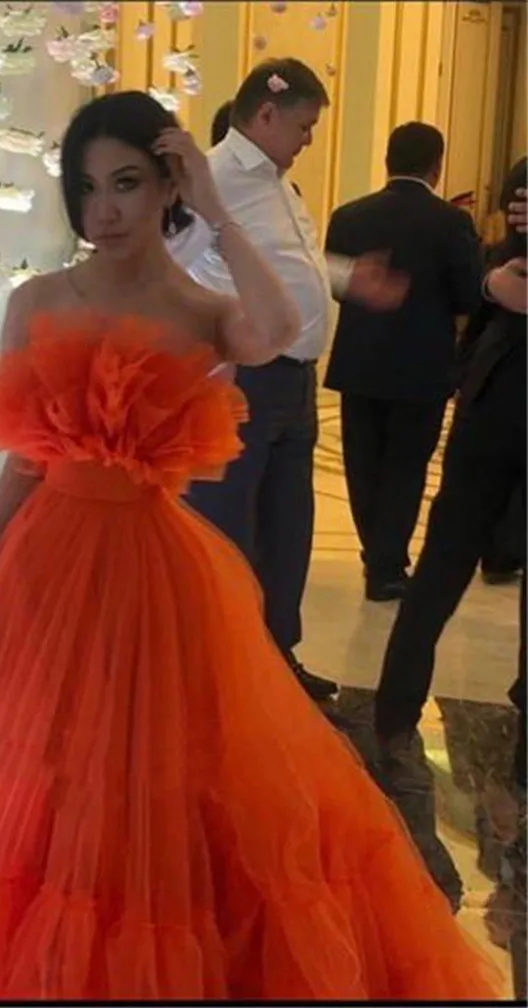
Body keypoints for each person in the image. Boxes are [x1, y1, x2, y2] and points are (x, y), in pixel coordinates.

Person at [0, 91, 501, 1001]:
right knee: (46, 775)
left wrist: (217, 203)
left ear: (168, 185)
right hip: (45, 569)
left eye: (127, 183)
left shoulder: (202, 309)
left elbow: (280, 328)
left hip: (154, 572)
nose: (104, 209)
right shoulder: (37, 302)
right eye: (87, 189)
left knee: (157, 777)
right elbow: (24, 463)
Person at [170, 59, 408, 700]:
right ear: (267, 113)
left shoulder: (277, 183)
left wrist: (346, 277)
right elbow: (170, 269)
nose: (308, 140)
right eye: (303, 126)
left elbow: (286, 260)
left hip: (295, 382)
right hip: (243, 380)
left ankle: (277, 662)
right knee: (229, 532)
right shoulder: (212, 179)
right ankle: (225, 673)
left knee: (288, 532)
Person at [374, 159, 526, 757]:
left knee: (440, 568)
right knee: (441, 567)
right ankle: (393, 715)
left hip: (488, 403)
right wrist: (492, 284)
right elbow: (494, 277)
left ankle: (392, 718)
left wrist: (491, 285)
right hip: (491, 412)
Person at [324, 122, 482, 601]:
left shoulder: (348, 217)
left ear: (387, 160)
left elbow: (335, 284)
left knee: (363, 465)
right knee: (406, 467)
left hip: (358, 363)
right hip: (422, 365)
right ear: (436, 166)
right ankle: (387, 566)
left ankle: (377, 554)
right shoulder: (450, 222)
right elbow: (469, 294)